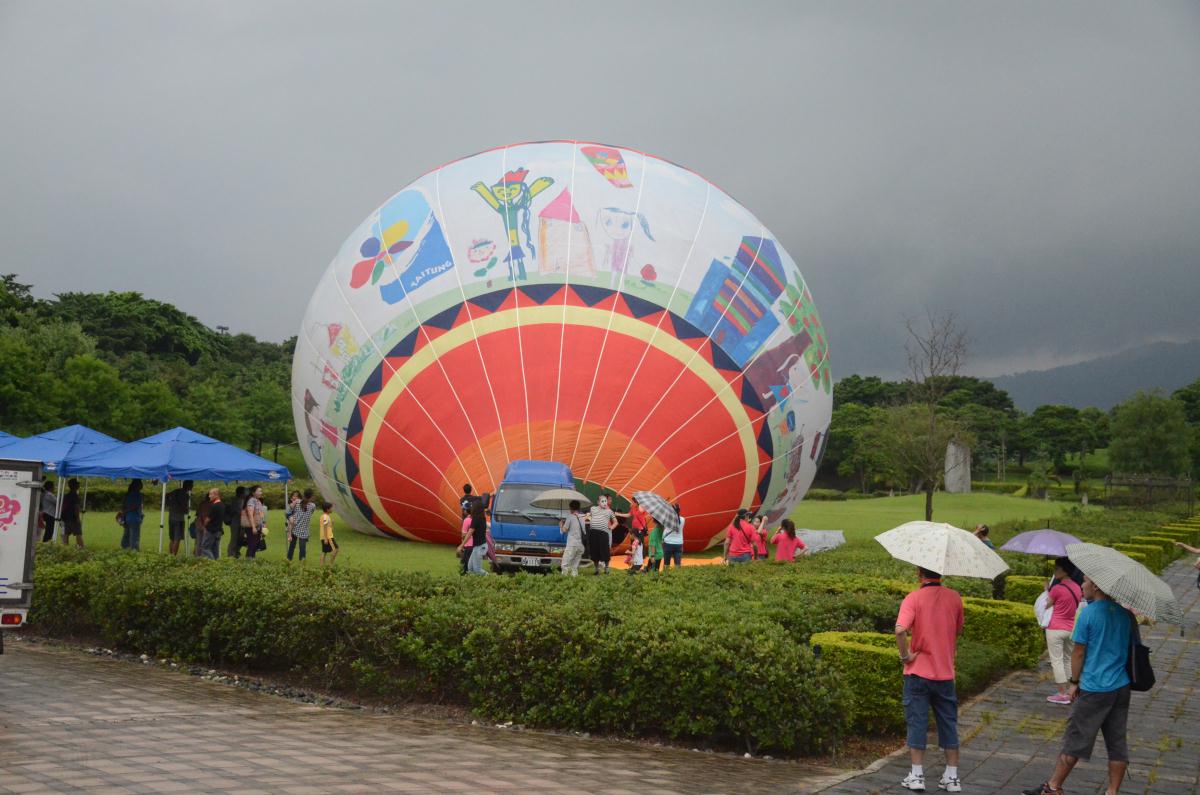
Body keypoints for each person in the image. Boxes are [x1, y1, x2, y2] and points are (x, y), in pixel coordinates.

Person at [1022, 575, 1134, 795]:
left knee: (1076, 738)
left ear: (1097, 585)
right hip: (1121, 686)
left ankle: (1053, 787)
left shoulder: (1088, 613)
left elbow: (1079, 652)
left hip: (1095, 687)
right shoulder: (1125, 614)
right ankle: (1112, 791)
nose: (1082, 585)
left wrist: (1074, 683)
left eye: (1085, 581)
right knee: (1117, 742)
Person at [896, 566, 965, 793]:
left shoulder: (913, 598)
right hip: (945, 673)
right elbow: (958, 630)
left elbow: (899, 630)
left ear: (919, 574)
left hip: (917, 673)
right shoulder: (954, 598)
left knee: (917, 722)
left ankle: (916, 775)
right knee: (948, 723)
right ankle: (952, 777)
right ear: (940, 574)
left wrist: (905, 656)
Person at [1044, 557, 1084, 705]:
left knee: (1056, 660)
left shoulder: (1056, 588)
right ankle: (1069, 692)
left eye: (1057, 569)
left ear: (1064, 570)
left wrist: (1046, 590)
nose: (1055, 572)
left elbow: (1047, 606)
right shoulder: (1077, 587)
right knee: (1068, 659)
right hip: (1071, 628)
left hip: (1055, 628)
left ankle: (1061, 693)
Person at [583, 494, 616, 574]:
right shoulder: (593, 509)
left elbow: (616, 522)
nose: (605, 503)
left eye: (605, 501)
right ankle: (597, 569)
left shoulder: (609, 511)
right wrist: (587, 517)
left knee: (605, 551)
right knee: (594, 551)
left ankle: (606, 568)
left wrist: (611, 527)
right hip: (593, 533)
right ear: (598, 502)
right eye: (602, 501)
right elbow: (588, 517)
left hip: (604, 533)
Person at [287, 490, 316, 562]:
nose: (314, 497)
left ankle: (288, 561)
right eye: (313, 496)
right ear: (311, 497)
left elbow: (288, 510)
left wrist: (290, 516)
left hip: (299, 529)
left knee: (293, 547)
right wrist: (290, 517)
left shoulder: (298, 502)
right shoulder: (312, 506)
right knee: (301, 549)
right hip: (297, 529)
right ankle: (300, 564)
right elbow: (288, 511)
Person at [166, 480, 193, 556]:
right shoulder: (185, 495)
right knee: (177, 538)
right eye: (192, 485)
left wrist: (169, 504)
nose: (192, 487)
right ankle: (174, 556)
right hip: (179, 519)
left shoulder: (176, 491)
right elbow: (184, 508)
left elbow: (167, 495)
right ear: (188, 486)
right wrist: (187, 509)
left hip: (171, 516)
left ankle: (170, 555)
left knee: (172, 538)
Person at [559, 499, 586, 576]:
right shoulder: (582, 517)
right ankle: (574, 581)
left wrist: (561, 525)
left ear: (571, 508)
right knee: (574, 566)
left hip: (572, 544)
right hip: (580, 545)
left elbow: (564, 530)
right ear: (579, 508)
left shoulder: (570, 517)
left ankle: (564, 580)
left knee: (564, 564)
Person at [119, 479, 145, 551]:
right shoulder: (138, 495)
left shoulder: (127, 494)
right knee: (135, 535)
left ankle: (124, 548)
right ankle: (134, 550)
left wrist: (124, 513)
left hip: (127, 517)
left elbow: (123, 506)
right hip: (135, 518)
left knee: (126, 533)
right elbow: (136, 506)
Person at [198, 488, 224, 560]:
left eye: (211, 494)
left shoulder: (214, 506)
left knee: (205, 547)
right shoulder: (222, 505)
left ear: (216, 495)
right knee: (215, 549)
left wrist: (204, 525)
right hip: (218, 530)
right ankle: (216, 564)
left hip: (211, 530)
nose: (209, 496)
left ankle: (211, 562)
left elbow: (208, 519)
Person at [242, 485, 266, 560]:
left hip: (258, 526)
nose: (260, 493)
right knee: (252, 544)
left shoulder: (258, 501)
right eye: (259, 491)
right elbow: (250, 514)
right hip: (252, 527)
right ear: (253, 493)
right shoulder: (251, 501)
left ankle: (252, 559)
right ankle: (249, 560)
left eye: (261, 491)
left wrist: (263, 525)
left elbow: (261, 514)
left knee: (255, 545)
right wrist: (253, 527)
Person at [465, 502, 489, 575]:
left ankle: (489, 577)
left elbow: (470, 532)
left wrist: (462, 545)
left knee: (477, 569)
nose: (471, 508)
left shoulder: (476, 518)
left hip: (480, 547)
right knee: (470, 568)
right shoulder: (482, 518)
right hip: (479, 546)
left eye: (473, 506)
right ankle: (474, 584)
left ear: (476, 508)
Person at [60, 478, 83, 548]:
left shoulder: (66, 496)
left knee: (65, 534)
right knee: (78, 533)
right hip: (73, 517)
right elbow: (76, 507)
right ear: (76, 486)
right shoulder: (75, 496)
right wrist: (77, 518)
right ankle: (81, 548)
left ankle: (65, 548)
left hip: (65, 517)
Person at [661, 501, 685, 568]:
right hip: (679, 544)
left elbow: (664, 528)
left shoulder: (667, 519)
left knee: (666, 564)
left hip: (668, 543)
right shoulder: (683, 519)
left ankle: (665, 576)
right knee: (678, 564)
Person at [226, 486, 246, 558]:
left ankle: (235, 553)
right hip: (236, 522)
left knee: (240, 538)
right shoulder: (238, 501)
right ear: (241, 493)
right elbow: (240, 512)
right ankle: (231, 554)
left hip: (239, 522)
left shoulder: (240, 500)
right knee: (235, 539)